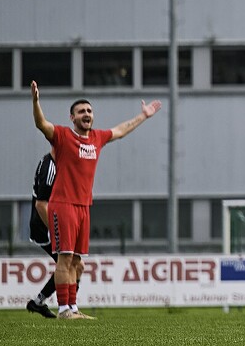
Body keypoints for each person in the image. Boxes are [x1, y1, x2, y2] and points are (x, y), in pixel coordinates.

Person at [30, 81, 161, 320]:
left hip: (84, 207)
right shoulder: (63, 136)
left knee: (77, 261)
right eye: (81, 111)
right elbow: (41, 124)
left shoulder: (97, 138)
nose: (87, 114)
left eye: (89, 111)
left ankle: (73, 308)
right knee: (65, 258)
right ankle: (63, 310)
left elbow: (120, 130)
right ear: (72, 118)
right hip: (63, 205)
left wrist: (143, 116)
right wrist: (36, 102)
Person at [24, 152, 58, 319]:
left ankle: (39, 303)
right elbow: (40, 204)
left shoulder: (52, 162)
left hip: (46, 225)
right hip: (44, 227)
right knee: (71, 264)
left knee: (73, 264)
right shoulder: (50, 166)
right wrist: (56, 230)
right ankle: (68, 308)